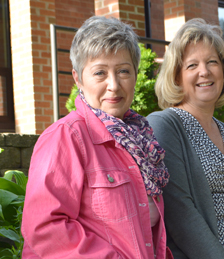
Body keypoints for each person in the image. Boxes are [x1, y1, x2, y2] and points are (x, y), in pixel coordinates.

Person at [21, 16, 172, 259]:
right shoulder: (65, 137)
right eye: (100, 72)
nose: (114, 84)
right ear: (78, 78)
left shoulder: (143, 142)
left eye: (123, 70)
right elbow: (45, 229)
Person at [147, 18, 224, 259]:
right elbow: (179, 212)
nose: (205, 71)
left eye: (212, 62)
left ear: (223, 70)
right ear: (177, 77)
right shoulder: (164, 125)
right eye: (192, 65)